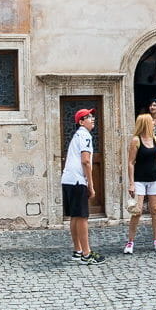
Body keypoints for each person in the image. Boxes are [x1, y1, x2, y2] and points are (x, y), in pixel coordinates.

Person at [60, 108, 105, 264]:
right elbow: (85, 161)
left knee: (75, 216)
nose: (92, 119)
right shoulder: (85, 135)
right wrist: (91, 185)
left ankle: (77, 250)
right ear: (81, 121)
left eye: (92, 116)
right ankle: (86, 254)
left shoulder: (77, 135)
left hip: (67, 179)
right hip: (78, 180)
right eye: (88, 117)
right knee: (82, 217)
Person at [124, 114, 156, 253]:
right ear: (145, 123)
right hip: (140, 180)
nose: (154, 123)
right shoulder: (136, 140)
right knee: (137, 212)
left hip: (154, 179)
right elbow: (131, 162)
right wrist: (131, 183)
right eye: (151, 122)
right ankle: (130, 242)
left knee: (155, 210)